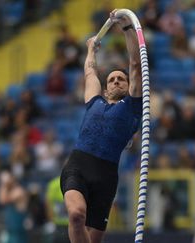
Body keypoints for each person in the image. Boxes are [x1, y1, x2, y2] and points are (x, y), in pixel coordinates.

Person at [59, 9, 142, 243]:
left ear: (127, 86)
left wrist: (126, 27)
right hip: (78, 164)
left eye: (121, 79)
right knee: (76, 215)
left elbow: (135, 64)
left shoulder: (132, 107)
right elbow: (90, 71)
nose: (116, 80)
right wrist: (90, 49)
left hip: (106, 175)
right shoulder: (94, 101)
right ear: (106, 88)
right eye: (112, 79)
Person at [0, 171, 29, 243]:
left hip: (18, 228)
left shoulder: (19, 191)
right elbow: (0, 200)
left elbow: (4, 200)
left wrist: (4, 185)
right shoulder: (9, 191)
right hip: (11, 228)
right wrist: (4, 185)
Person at [46, 177, 70, 243]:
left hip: (59, 225)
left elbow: (48, 205)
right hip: (74, 224)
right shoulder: (78, 181)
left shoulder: (53, 184)